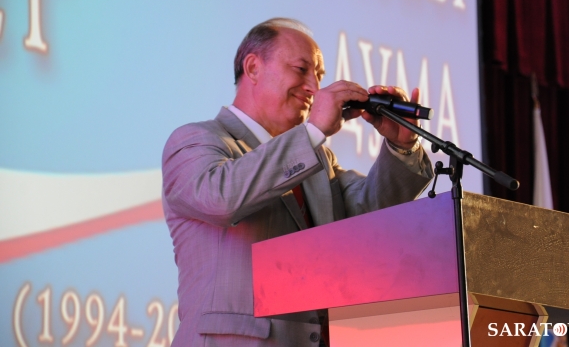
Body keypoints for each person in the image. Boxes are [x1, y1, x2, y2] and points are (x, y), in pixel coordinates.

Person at [162, 18, 433, 346]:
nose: (314, 88)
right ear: (253, 68)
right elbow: (221, 198)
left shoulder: (317, 160)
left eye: (319, 76)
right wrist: (313, 130)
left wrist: (402, 145)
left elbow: (371, 214)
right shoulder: (196, 140)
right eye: (302, 70)